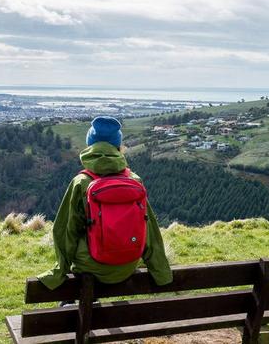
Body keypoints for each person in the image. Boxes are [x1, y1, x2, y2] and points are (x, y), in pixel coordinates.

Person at [37, 116, 173, 290]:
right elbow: (150, 229)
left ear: (90, 145)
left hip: (91, 267)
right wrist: (161, 272)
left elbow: (66, 230)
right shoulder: (134, 180)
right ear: (118, 146)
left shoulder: (81, 182)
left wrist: (59, 272)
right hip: (128, 264)